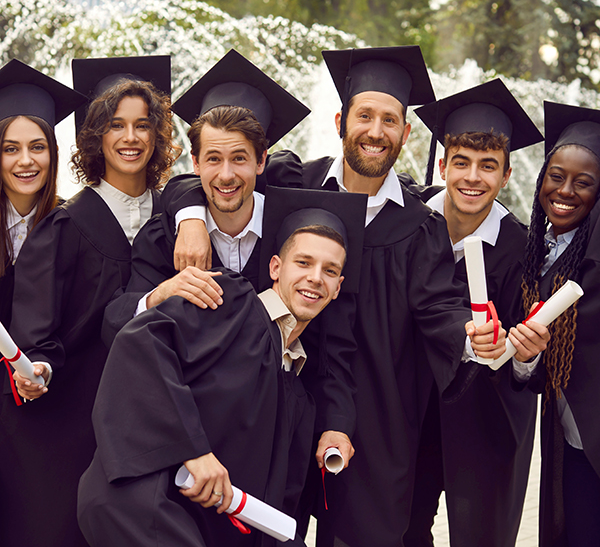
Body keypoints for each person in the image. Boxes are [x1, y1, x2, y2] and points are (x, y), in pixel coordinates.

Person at [167, 46, 509, 546]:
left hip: (373, 425)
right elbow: (207, 176)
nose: (375, 130)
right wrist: (191, 216)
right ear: (340, 121)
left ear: (406, 134)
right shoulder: (294, 181)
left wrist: (472, 336)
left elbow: (441, 308)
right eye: (364, 116)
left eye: (390, 119)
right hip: (277, 408)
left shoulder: (420, 226)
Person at [78, 186, 367, 547]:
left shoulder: (296, 385)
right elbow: (141, 344)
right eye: (304, 263)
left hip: (192, 528)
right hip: (143, 503)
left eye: (329, 271)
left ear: (338, 288)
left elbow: (273, 504)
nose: (315, 278)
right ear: (275, 267)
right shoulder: (230, 302)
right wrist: (194, 451)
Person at [3, 55, 177, 547]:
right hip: (70, 429)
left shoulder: (179, 215)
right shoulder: (64, 227)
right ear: (95, 136)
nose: (130, 137)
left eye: (143, 125)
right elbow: (36, 335)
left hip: (159, 429)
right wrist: (39, 368)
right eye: (116, 125)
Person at [403, 79, 548, 547]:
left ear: (506, 176)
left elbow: (529, 363)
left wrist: (524, 355)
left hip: (483, 420)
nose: (472, 177)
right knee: (401, 530)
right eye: (461, 163)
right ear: (442, 165)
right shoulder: (404, 220)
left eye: (488, 167)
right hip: (405, 413)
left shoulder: (522, 248)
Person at [102, 48, 309, 348]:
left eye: (239, 158)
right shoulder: (163, 238)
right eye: (213, 159)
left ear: (261, 160)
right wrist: (163, 293)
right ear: (195, 163)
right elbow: (115, 328)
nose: (226, 175)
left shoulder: (293, 234)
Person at [515, 101, 600, 547]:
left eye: (584, 182)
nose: (565, 190)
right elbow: (534, 370)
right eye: (555, 176)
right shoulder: (541, 254)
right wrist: (526, 358)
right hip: (568, 443)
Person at [0, 59, 85, 329]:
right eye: (10, 149)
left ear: (53, 153)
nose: (25, 161)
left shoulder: (72, 226)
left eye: (37, 147)